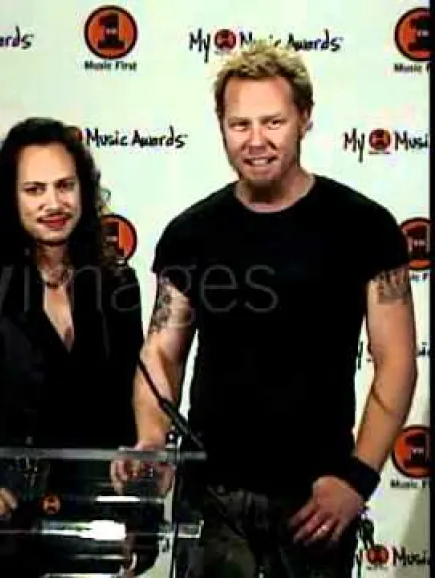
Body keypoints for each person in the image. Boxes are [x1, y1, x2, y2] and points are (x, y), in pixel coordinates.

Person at [113, 41, 418, 577]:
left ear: (305, 118)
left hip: (315, 500)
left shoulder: (364, 227)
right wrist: (152, 442)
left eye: (273, 122)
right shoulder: (190, 234)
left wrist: (358, 478)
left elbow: (396, 361)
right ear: (222, 127)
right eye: (240, 125)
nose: (256, 140)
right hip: (210, 498)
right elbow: (161, 351)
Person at [0, 118, 148, 577]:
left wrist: (138, 510)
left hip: (92, 519)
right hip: (4, 520)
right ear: (10, 198)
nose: (53, 203)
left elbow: (134, 403)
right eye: (35, 190)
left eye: (65, 186)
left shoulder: (116, 281)